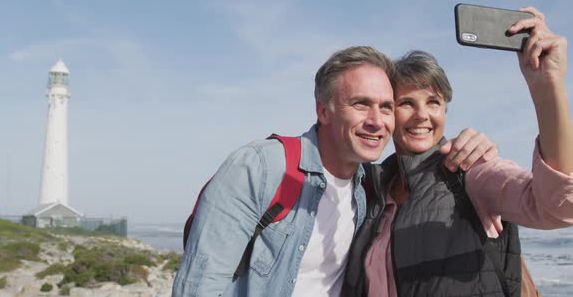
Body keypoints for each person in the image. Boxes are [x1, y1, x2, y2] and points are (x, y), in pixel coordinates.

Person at [172, 46, 497, 297]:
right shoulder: (261, 167)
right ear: (323, 110)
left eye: (386, 107)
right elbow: (200, 285)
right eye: (360, 104)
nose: (376, 120)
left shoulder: (370, 186)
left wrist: (473, 148)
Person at [343, 7, 573, 296]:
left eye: (433, 102)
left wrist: (548, 87)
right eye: (406, 103)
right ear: (388, 113)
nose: (422, 115)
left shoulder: (470, 170)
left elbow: (560, 206)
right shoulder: (372, 190)